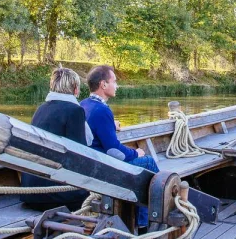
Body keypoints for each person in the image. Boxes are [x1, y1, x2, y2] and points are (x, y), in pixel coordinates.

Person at [80, 65, 159, 230]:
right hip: (105, 169)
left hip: (91, 164)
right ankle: (148, 222)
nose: (117, 85)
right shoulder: (102, 110)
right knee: (148, 163)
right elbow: (114, 151)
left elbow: (95, 128)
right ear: (103, 85)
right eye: (114, 81)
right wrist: (135, 152)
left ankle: (143, 220)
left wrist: (111, 125)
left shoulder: (84, 105)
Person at [20, 67, 91, 211]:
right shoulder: (74, 110)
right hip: (54, 195)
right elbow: (80, 155)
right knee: (100, 194)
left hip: (29, 193)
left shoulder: (41, 108)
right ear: (75, 89)